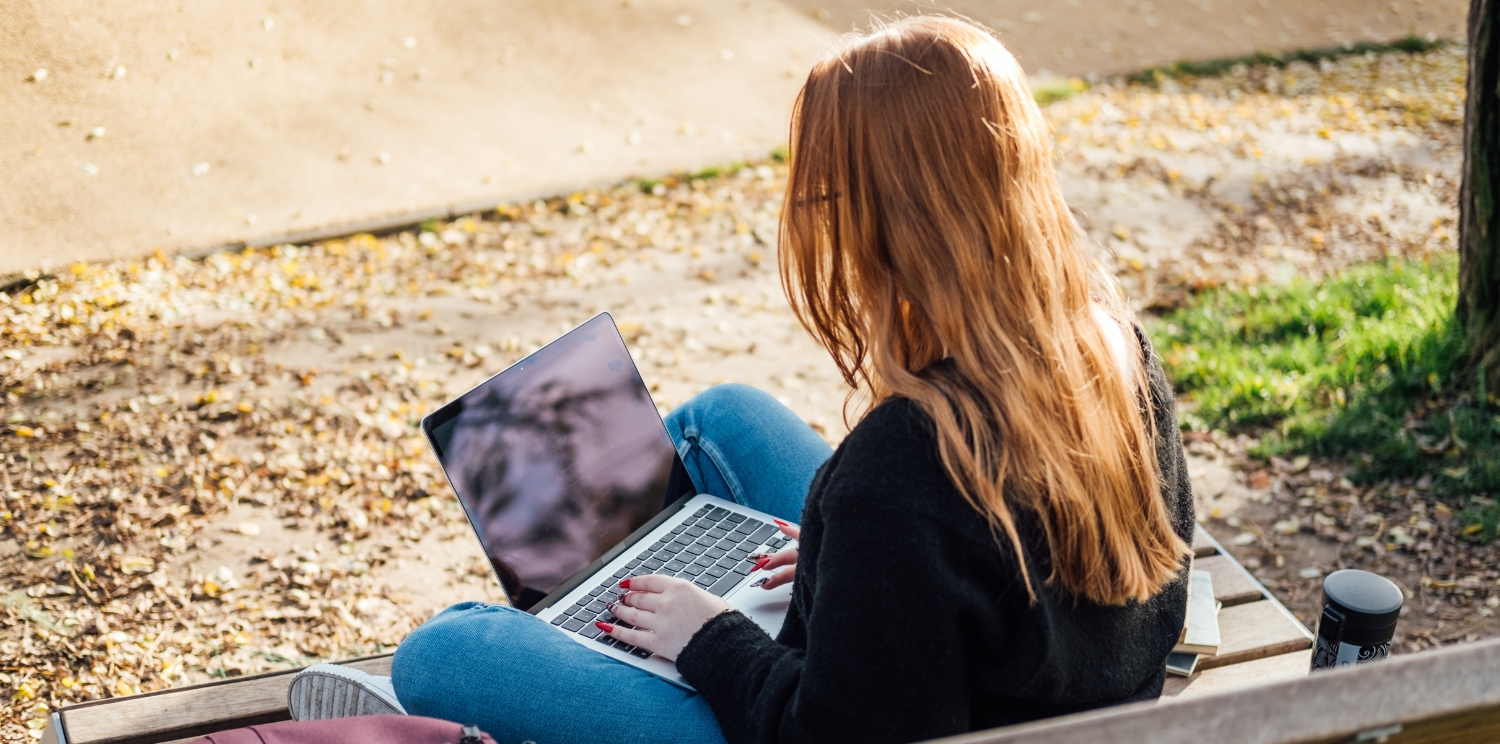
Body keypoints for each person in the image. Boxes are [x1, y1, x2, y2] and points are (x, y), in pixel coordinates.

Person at [289, 15, 1195, 744]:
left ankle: (543, 669)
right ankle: (623, 595)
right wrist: (864, 582)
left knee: (446, 648)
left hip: (823, 717)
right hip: (1051, 690)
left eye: (825, 198)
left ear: (884, 225)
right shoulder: (1112, 349)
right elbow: (1045, 577)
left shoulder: (899, 471)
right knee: (722, 418)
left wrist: (710, 636)